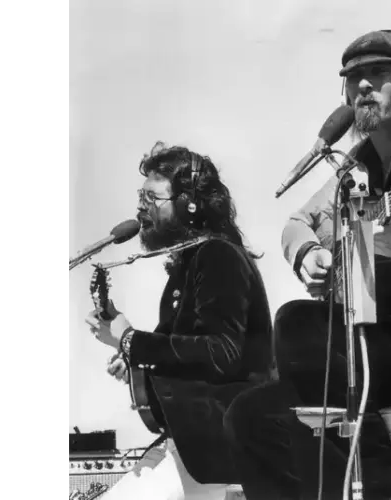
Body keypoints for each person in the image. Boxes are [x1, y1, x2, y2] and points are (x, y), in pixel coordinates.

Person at [224, 29, 391, 499]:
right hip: (362, 341)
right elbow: (297, 222)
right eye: (354, 77)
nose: (363, 86)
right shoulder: (351, 166)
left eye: (379, 74)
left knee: (296, 323)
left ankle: (386, 488)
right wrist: (311, 252)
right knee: (250, 413)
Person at [86, 141, 275, 500]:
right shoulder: (189, 265)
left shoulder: (219, 256)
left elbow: (221, 352)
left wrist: (129, 339)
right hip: (193, 445)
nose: (142, 209)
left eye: (153, 199)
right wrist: (135, 362)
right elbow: (182, 353)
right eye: (141, 198)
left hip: (216, 447)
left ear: (189, 204)